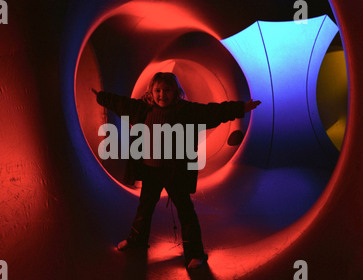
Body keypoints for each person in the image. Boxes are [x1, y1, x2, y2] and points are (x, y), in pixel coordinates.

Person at [92, 72, 261, 269]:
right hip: (151, 172)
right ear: (151, 92)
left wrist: (241, 107)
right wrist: (101, 96)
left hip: (175, 173)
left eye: (167, 90)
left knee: (186, 211)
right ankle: (137, 239)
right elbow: (121, 103)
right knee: (144, 208)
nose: (162, 95)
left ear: (175, 92)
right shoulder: (142, 109)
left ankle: (195, 254)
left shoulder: (186, 111)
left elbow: (212, 112)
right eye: (157, 91)